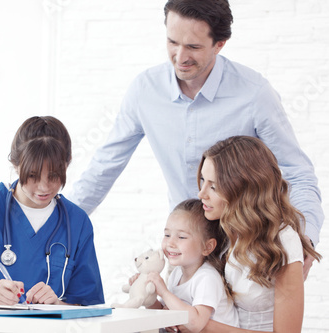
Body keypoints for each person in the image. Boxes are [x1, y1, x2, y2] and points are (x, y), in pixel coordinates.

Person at [68, 0, 323, 278]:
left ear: (220, 44)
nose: (179, 56)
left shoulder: (254, 94)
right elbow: (104, 167)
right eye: (172, 42)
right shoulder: (145, 90)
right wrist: (60, 225)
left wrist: (304, 236)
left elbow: (296, 173)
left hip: (248, 250)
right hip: (188, 255)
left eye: (193, 47)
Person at [0, 116, 104, 307]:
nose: (43, 187)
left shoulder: (77, 222)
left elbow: (89, 308)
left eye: (54, 176)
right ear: (16, 164)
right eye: (32, 175)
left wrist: (56, 304)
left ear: (67, 164)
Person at [196, 136, 321, 332]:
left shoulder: (283, 241)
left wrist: (202, 326)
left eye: (214, 186)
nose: (201, 193)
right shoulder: (224, 232)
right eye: (203, 180)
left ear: (243, 189)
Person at [145, 199, 238, 332]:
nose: (170, 243)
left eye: (181, 237)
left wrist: (164, 292)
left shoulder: (207, 278)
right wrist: (149, 297)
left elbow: (196, 323)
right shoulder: (177, 274)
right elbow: (163, 312)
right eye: (167, 235)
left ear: (207, 247)